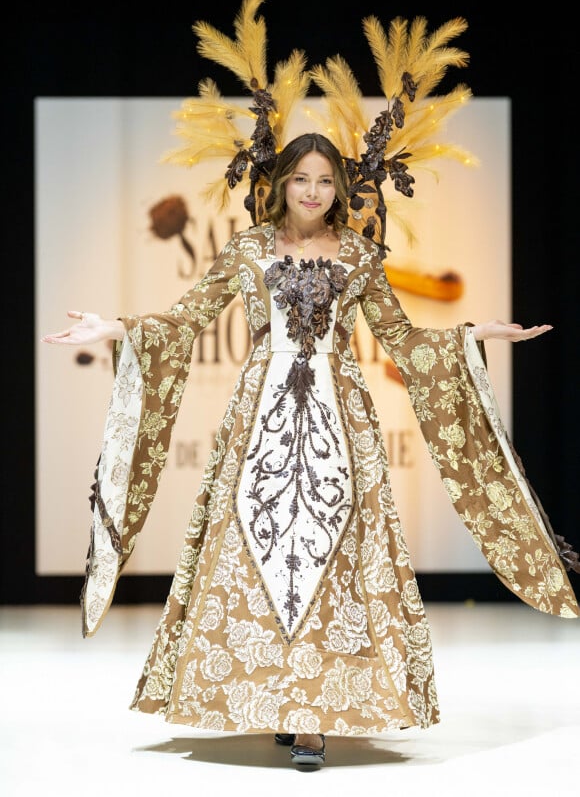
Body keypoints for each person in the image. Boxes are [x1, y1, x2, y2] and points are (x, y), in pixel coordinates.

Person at [42, 131, 579, 771]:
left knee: (335, 549)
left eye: (326, 182)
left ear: (341, 188)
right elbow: (186, 319)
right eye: (302, 180)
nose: (314, 193)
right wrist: (118, 328)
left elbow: (402, 339)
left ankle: (314, 714)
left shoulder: (359, 254)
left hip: (340, 421)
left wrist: (472, 336)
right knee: (253, 543)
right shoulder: (246, 250)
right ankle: (275, 699)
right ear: (280, 184)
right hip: (260, 418)